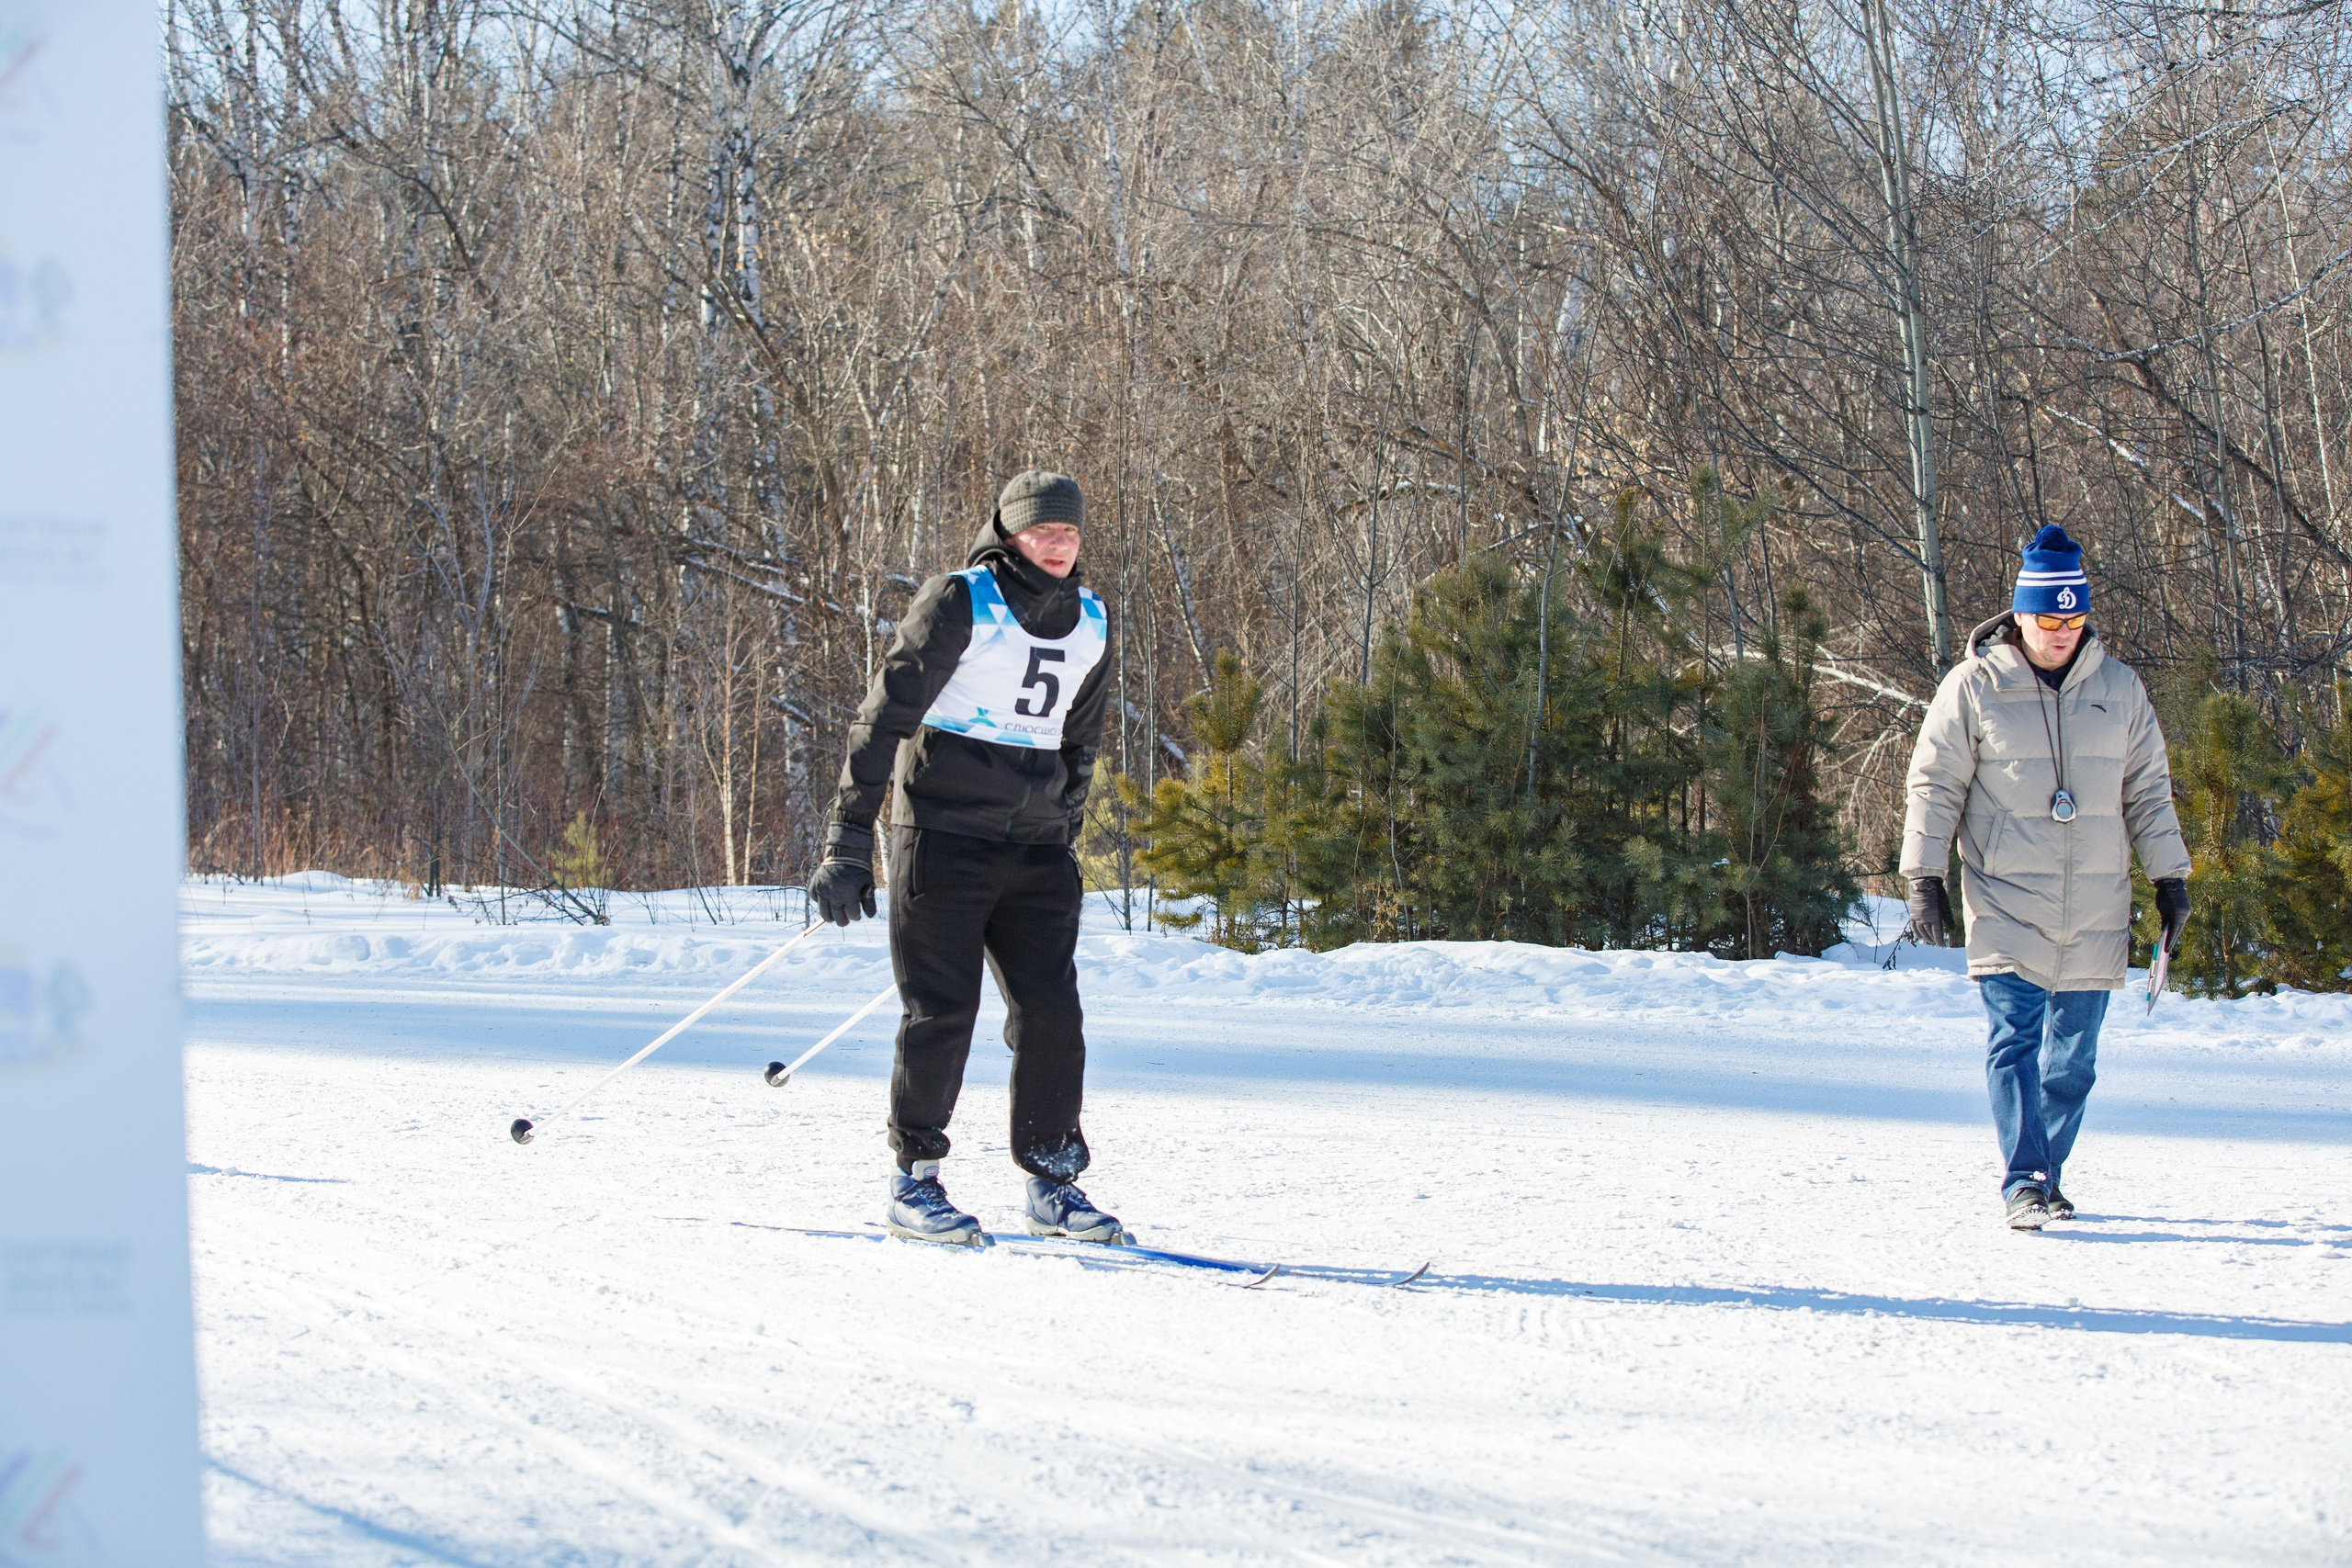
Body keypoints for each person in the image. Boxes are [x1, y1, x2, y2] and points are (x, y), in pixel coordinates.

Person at [806, 470, 1125, 1248]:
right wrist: (848, 838)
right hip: (943, 837)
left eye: (1071, 532)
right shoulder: (961, 599)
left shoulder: (1091, 619)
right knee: (942, 1011)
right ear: (1011, 532)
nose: (1060, 543)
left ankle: (1053, 1181)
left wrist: (1065, 825)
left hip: (1036, 851)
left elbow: (1080, 738)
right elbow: (884, 717)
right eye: (1045, 530)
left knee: (1053, 1014)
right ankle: (914, 1181)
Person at [1900, 525, 2192, 1231]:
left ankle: (2046, 1171)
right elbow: (1934, 783)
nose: (2062, 632)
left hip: (2095, 902)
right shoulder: (1973, 688)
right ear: (2019, 614)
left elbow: (2149, 793)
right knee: (2014, 1043)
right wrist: (1923, 875)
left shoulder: (2120, 691)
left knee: (2074, 1064)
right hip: (2006, 899)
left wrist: (2170, 880)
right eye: (2047, 617)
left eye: (2074, 617)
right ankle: (2024, 1180)